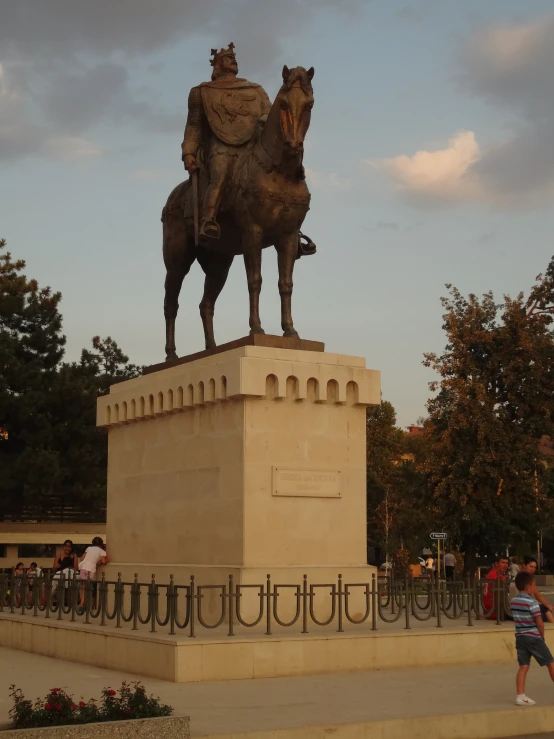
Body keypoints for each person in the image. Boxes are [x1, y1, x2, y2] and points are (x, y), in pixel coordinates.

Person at [181, 42, 271, 241]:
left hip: (253, 147)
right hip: (220, 147)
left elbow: (269, 116)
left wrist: (265, 120)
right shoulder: (201, 92)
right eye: (229, 58)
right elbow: (194, 126)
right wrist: (188, 152)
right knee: (220, 177)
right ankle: (209, 220)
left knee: (280, 177)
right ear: (218, 65)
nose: (234, 60)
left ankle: (290, 228)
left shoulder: (256, 90)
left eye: (234, 58)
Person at [510, 571, 554, 705]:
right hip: (533, 637)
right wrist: (542, 636)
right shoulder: (532, 603)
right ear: (529, 586)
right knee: (550, 663)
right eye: (534, 586)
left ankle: (520, 695)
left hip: (520, 637)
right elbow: (539, 623)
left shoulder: (513, 601)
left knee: (523, 666)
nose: (535, 588)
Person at [509, 556, 554, 624]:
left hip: (515, 607)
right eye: (531, 566)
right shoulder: (527, 579)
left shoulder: (519, 577)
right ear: (524, 565)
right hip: (520, 608)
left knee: (543, 608)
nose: (532, 569)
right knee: (545, 609)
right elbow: (538, 596)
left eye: (534, 567)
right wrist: (549, 606)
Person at [78, 537, 108, 609]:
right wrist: (102, 561)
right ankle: (82, 604)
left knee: (83, 586)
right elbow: (104, 561)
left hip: (83, 567)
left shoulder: (88, 548)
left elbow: (82, 558)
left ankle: (82, 602)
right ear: (101, 544)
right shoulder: (102, 551)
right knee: (87, 587)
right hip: (90, 569)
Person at [483, 556, 509, 620]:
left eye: (506, 563)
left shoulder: (491, 574)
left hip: (488, 611)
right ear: (496, 564)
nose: (505, 565)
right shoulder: (498, 577)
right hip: (496, 612)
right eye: (503, 562)